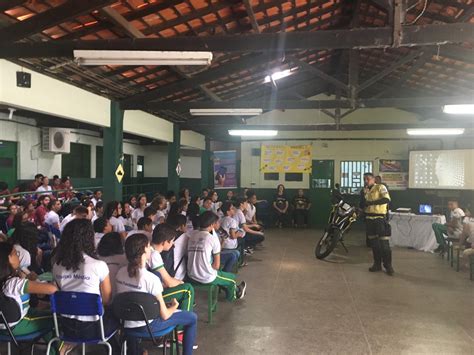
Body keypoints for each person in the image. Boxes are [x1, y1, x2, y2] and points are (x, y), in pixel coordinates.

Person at [115, 233, 198, 355]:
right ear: (144, 251)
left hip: (125, 324)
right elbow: (164, 315)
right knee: (192, 318)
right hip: (149, 327)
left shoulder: (120, 273)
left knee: (134, 313)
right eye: (148, 247)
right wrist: (174, 306)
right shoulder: (151, 279)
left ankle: (135, 350)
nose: (150, 249)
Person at [52, 219, 117, 347]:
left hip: (66, 328)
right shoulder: (99, 265)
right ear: (89, 238)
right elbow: (107, 299)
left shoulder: (56, 265)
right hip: (95, 329)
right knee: (116, 313)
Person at [0, 242, 58, 353]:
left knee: (47, 313)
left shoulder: (7, 281)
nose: (18, 256)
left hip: (4, 327)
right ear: (8, 259)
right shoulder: (14, 283)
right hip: (18, 326)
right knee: (58, 319)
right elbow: (52, 289)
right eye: (15, 254)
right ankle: (61, 351)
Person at [187, 211, 246, 302]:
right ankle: (235, 295)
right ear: (212, 224)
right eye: (217, 222)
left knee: (224, 276)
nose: (218, 224)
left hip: (191, 275)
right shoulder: (212, 239)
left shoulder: (192, 236)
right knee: (232, 279)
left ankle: (227, 284)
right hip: (205, 277)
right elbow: (216, 266)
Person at [149, 224, 195, 313]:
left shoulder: (149, 249)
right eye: (172, 241)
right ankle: (184, 322)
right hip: (152, 297)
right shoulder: (154, 255)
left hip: (148, 291)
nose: (173, 244)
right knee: (187, 289)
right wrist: (180, 282)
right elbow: (169, 283)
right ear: (164, 242)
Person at [362, 173, 393, 275]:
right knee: (374, 245)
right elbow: (362, 204)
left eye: (368, 179)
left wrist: (371, 203)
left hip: (380, 219)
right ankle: (377, 264)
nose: (366, 181)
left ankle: (388, 266)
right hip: (369, 219)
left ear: (373, 179)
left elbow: (386, 199)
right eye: (364, 179)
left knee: (384, 244)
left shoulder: (380, 187)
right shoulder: (365, 190)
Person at [220, 202, 243, 268]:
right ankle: (239, 262)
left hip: (222, 244)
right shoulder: (232, 221)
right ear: (228, 212)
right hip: (229, 245)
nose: (234, 210)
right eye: (232, 209)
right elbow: (233, 236)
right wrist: (238, 234)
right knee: (242, 240)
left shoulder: (221, 219)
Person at [166, 214, 189, 281]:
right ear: (182, 226)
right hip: (177, 275)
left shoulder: (165, 234)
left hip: (164, 273)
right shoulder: (185, 237)